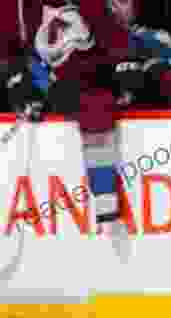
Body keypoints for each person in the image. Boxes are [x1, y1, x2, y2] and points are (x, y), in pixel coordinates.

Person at [2, 0, 135, 261]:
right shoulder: (16, 7)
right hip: (50, 81)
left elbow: (113, 38)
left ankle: (104, 194)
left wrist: (125, 68)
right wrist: (19, 83)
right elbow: (10, 52)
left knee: (96, 103)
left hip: (91, 81)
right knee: (91, 102)